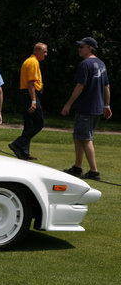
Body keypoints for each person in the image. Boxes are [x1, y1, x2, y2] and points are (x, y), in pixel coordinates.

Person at [61, 37, 112, 181]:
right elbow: (106, 86)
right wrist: (106, 105)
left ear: (90, 48)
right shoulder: (101, 64)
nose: (79, 49)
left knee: (86, 139)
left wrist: (68, 104)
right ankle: (77, 167)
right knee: (79, 137)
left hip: (86, 106)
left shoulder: (85, 64)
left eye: (81, 46)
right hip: (96, 107)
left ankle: (94, 171)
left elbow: (80, 86)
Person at [9, 43, 48, 160]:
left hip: (27, 94)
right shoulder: (33, 62)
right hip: (29, 94)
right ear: (37, 51)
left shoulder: (31, 61)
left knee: (29, 124)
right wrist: (34, 101)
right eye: (44, 52)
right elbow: (31, 83)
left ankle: (23, 152)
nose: (46, 54)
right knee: (39, 123)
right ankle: (17, 143)